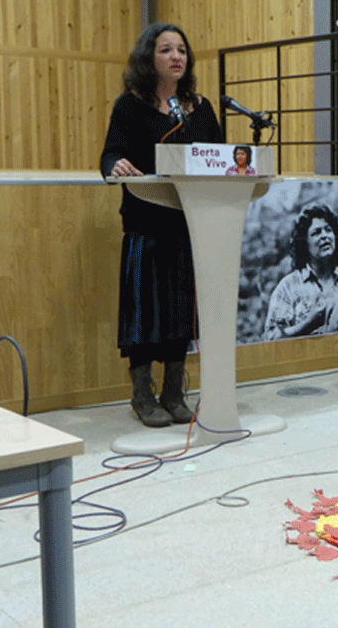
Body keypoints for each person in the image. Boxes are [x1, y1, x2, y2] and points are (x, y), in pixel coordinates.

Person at [100, 23, 224, 428]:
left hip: (190, 224)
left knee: (180, 311)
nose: (176, 57)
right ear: (148, 59)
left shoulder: (200, 108)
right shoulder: (130, 105)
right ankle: (142, 395)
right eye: (166, 50)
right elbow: (111, 153)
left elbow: (219, 158)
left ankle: (174, 392)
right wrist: (114, 165)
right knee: (144, 312)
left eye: (182, 51)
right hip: (145, 223)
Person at [264, 203, 338, 340]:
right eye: (316, 232)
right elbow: (271, 340)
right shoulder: (288, 287)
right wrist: (308, 324)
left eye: (328, 230)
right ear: (304, 244)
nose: (325, 236)